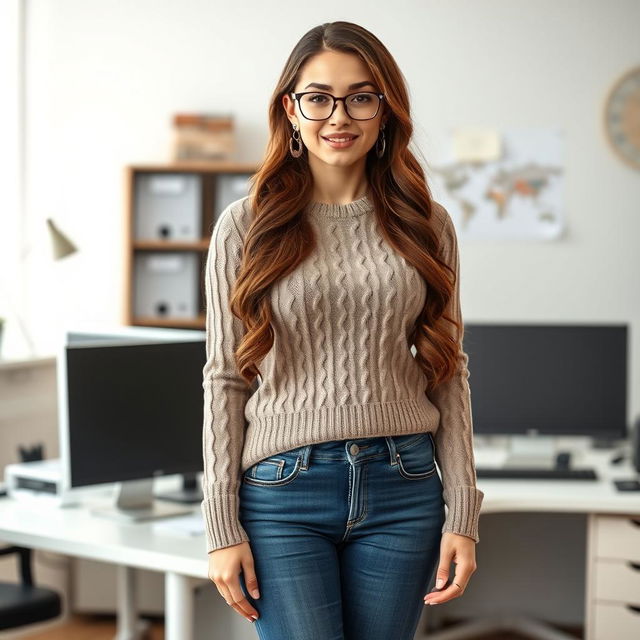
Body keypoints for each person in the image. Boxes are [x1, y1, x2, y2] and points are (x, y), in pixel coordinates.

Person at [201, 20, 484, 640]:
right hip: (281, 495)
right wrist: (222, 525)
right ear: (291, 109)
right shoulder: (245, 226)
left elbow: (447, 368)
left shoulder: (426, 225)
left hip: (404, 486)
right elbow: (226, 379)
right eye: (318, 97)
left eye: (361, 96)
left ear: (386, 111)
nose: (339, 115)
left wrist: (463, 510)